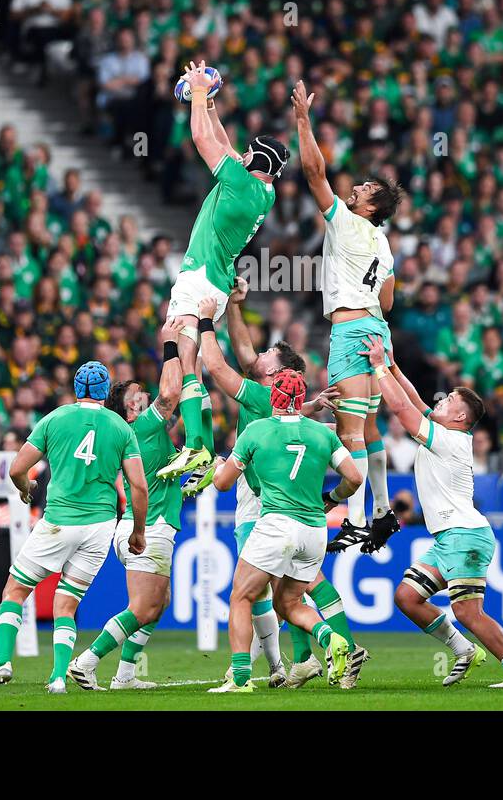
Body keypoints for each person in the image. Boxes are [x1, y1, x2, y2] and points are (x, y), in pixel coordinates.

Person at [363, 334, 503, 689]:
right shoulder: (443, 431)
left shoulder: (449, 438)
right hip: (450, 538)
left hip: (465, 536)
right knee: (407, 597)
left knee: (468, 611)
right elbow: (413, 401)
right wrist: (394, 367)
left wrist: (379, 367)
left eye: (449, 400)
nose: (440, 402)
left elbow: (401, 410)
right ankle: (464, 650)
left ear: (460, 415)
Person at [188, 290, 343, 688]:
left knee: (249, 591)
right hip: (300, 513)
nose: (258, 361)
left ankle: (248, 669)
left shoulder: (257, 397)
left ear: (275, 376)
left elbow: (219, 366)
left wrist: (206, 320)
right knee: (282, 592)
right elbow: (244, 353)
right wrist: (236, 305)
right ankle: (298, 658)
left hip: (263, 502)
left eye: (266, 361)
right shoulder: (280, 400)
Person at [0, 361, 148, 695]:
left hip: (60, 519)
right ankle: (58, 678)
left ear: (77, 389)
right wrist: (138, 531)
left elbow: (18, 467)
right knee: (67, 603)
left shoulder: (55, 418)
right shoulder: (121, 428)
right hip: (100, 526)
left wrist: (23, 487)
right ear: (106, 391)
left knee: (15, 591)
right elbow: (138, 486)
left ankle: (3, 662)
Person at [156, 59, 285, 484]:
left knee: (186, 358)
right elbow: (227, 145)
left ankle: (198, 445)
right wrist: (209, 101)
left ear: (256, 160)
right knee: (189, 359)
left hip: (199, 276)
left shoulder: (240, 184)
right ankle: (200, 447)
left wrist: (195, 93)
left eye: (249, 152)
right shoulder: (261, 191)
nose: (240, 152)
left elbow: (199, 137)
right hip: (216, 277)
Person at [292, 79, 403, 553]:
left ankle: (355, 519)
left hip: (352, 330)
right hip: (378, 328)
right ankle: (382, 511)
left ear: (371, 205)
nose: (356, 187)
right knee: (371, 426)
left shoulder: (347, 220)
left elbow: (315, 174)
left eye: (365, 188)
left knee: (349, 429)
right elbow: (391, 301)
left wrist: (302, 119)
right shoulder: (384, 243)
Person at [205, 369, 364, 693]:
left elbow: (222, 484)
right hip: (314, 532)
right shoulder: (321, 434)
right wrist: (331, 499)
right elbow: (355, 477)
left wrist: (218, 466)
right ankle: (330, 638)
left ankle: (239, 679)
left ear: (272, 397)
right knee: (288, 604)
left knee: (241, 596)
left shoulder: (256, 431)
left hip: (277, 525)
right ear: (302, 399)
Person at [67, 319, 185, 690]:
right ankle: (87, 661)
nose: (145, 395)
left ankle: (126, 676)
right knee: (143, 607)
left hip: (144, 525)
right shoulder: (141, 427)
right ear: (129, 410)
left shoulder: (140, 431)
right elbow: (170, 395)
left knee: (158, 603)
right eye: (138, 394)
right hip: (148, 527)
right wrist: (172, 344)